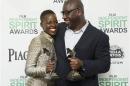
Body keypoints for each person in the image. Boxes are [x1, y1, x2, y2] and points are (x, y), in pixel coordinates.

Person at [54, 0, 111, 86]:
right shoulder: (58, 29)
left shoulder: (99, 36)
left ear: (79, 12)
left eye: (67, 13)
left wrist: (83, 64)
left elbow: (105, 65)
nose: (64, 17)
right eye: (63, 13)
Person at [25, 10, 58, 86]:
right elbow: (28, 69)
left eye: (56, 22)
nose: (53, 25)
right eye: (49, 22)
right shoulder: (37, 41)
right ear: (41, 24)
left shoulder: (53, 41)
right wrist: (45, 69)